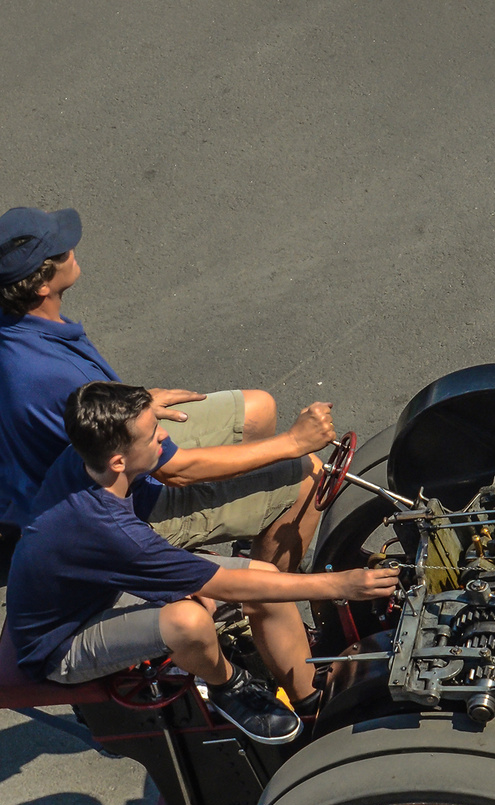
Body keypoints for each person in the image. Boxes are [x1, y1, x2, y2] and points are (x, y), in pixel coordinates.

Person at [3, 382, 399, 743]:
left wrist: (144, 406)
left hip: (95, 588)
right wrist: (341, 585)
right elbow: (225, 586)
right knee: (189, 622)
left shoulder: (88, 456)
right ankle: (229, 685)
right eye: (151, 433)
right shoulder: (110, 532)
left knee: (265, 577)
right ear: (119, 462)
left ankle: (313, 702)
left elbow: (90, 399)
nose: (163, 433)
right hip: (60, 641)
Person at [0, 205, 329, 572]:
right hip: (116, 505)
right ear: (42, 284)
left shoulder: (17, 330)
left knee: (258, 409)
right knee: (309, 474)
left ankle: (250, 537)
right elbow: (175, 471)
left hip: (65, 469)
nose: (72, 250)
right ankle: (256, 605)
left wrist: (132, 403)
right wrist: (294, 442)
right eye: (61, 251)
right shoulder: (56, 374)